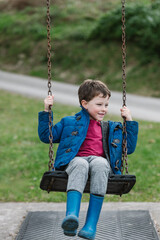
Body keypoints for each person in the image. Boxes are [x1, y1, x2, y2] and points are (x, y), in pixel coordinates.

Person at [38, 79, 138, 240]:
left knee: (100, 163)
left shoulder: (112, 128)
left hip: (99, 165)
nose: (103, 109)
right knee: (80, 163)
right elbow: (46, 136)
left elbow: (129, 148)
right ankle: (71, 217)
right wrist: (46, 111)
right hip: (74, 162)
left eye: (106, 105)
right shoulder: (68, 122)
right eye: (99, 104)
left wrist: (129, 121)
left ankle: (90, 226)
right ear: (84, 104)